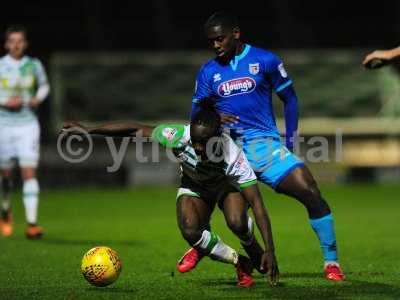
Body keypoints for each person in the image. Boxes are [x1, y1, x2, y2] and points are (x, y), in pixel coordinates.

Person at [178, 11, 344, 281]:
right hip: (225, 149)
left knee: (311, 192)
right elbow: (196, 115)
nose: (216, 45)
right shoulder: (208, 71)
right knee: (223, 211)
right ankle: (199, 244)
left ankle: (331, 262)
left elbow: (290, 99)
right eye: (211, 41)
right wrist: (214, 120)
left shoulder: (265, 60)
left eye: (220, 39)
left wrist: (289, 141)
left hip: (263, 146)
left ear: (236, 33)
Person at [60, 98, 279, 287]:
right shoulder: (178, 135)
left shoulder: (231, 155)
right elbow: (135, 129)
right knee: (191, 230)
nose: (199, 148)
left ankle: (249, 242)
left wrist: (270, 250)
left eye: (204, 143)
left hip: (225, 186)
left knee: (237, 222)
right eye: (196, 142)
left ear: (217, 136)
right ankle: (239, 262)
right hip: (195, 186)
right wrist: (89, 130)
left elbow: (258, 204)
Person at [0, 25, 50, 239]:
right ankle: (5, 210)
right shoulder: (1, 66)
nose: (16, 45)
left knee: (29, 173)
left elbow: (45, 86)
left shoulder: (34, 65)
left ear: (25, 44)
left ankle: (32, 224)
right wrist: (4, 101)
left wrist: (38, 97)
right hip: (4, 125)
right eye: (12, 41)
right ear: (7, 44)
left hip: (28, 125)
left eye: (20, 41)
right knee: (6, 175)